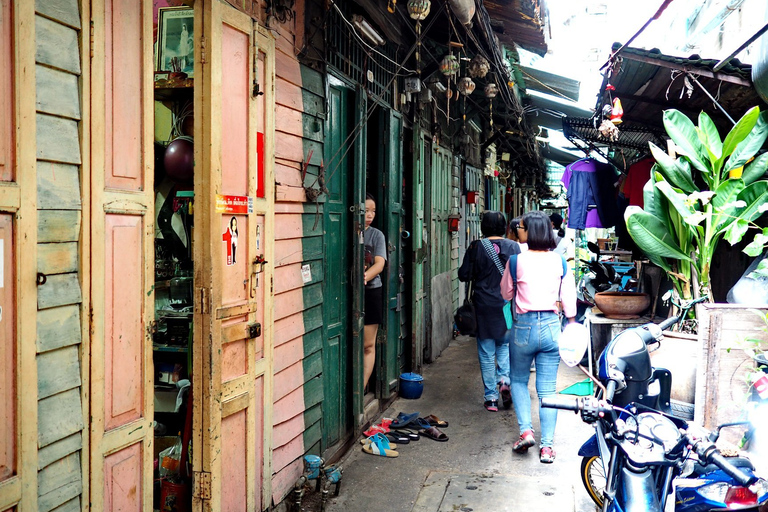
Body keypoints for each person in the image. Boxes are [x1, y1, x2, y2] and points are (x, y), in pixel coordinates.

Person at [500, 210, 576, 463]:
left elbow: (506, 294)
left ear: (531, 232)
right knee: (548, 390)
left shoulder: (515, 261)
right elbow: (569, 303)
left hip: (524, 327)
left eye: (521, 227)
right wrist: (571, 325)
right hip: (552, 326)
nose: (518, 229)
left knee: (519, 381)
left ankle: (525, 432)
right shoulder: (560, 262)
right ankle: (547, 447)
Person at [458, 211, 521, 412]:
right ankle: (504, 380)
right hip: (507, 306)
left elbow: (463, 275)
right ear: (504, 228)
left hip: (483, 306)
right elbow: (520, 276)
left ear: (483, 227)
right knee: (504, 345)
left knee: (486, 352)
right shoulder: (514, 247)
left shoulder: (476, 246)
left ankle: (491, 398)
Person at [363, 193, 387, 390]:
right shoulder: (347, 230)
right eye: (366, 211)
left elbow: (379, 265)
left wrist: (363, 278)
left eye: (373, 211)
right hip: (347, 294)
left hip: (371, 292)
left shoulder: (376, 235)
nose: (370, 215)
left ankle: (361, 389)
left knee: (367, 345)